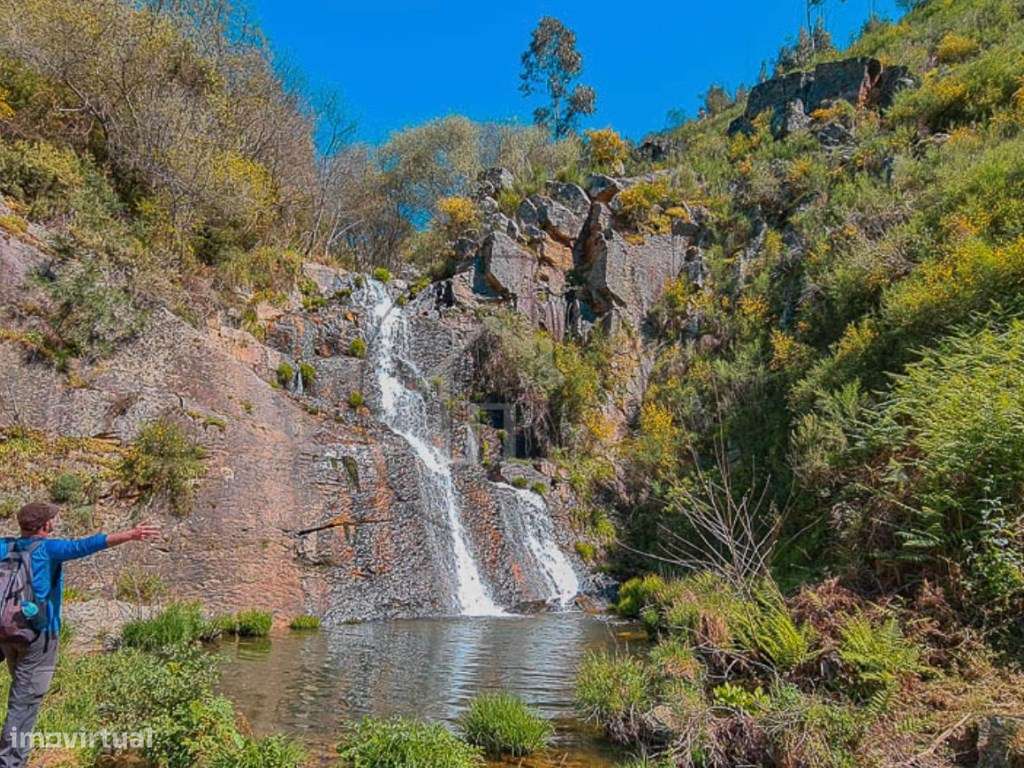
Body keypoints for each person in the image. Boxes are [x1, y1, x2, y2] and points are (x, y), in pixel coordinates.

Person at [0, 501, 160, 768]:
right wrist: (130, 535)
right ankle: (11, 762)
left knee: (21, 692)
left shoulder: (6, 546)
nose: (54, 522)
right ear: (45, 526)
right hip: (39, 637)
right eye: (51, 519)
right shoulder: (48, 549)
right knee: (24, 702)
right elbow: (84, 546)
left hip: (7, 633)